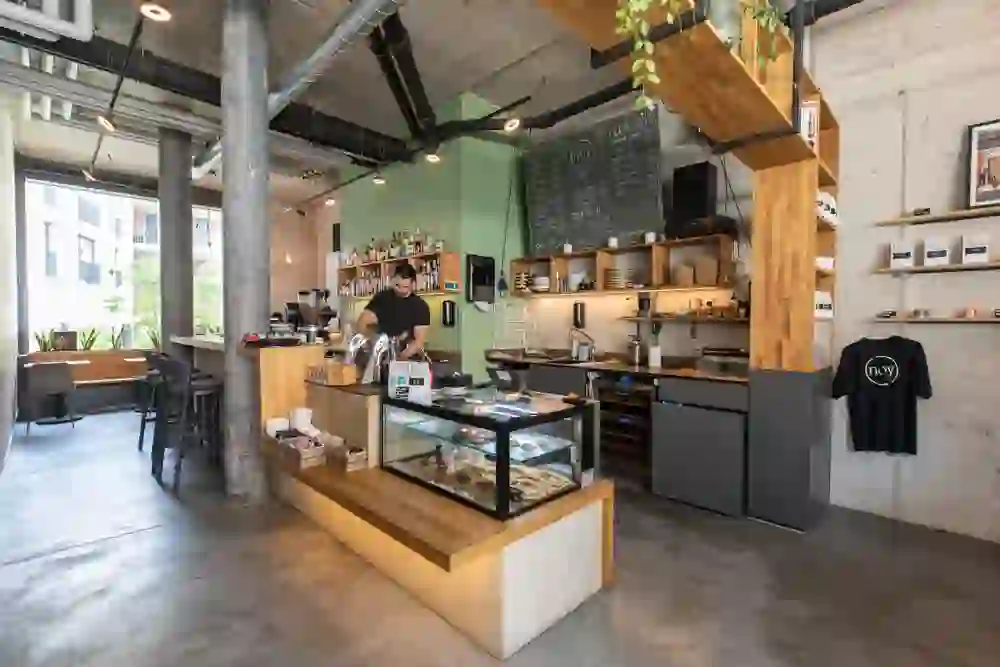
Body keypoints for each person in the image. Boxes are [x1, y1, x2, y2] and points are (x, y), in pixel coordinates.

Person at [355, 263, 430, 360]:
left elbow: (418, 342)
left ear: (413, 284)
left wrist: (399, 358)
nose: (401, 290)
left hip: (407, 359)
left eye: (405, 287)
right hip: (380, 356)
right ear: (392, 280)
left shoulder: (420, 307)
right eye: (397, 286)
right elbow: (363, 321)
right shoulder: (382, 299)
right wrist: (367, 345)